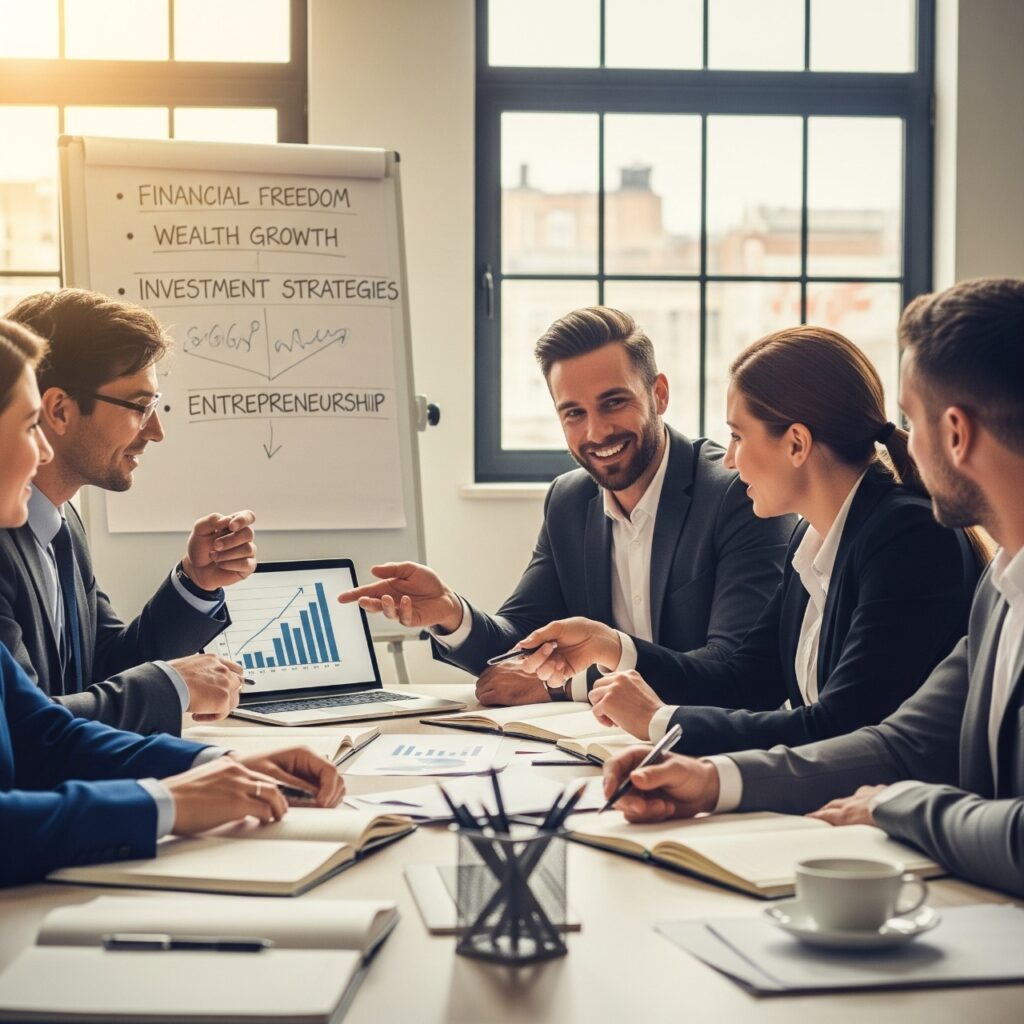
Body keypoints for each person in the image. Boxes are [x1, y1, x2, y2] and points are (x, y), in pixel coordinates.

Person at [597, 277, 1024, 898]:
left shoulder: (910, 537)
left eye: (913, 419)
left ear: (956, 433)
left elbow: (862, 733)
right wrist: (711, 779)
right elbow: (898, 742)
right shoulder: (1000, 589)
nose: (899, 440)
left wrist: (894, 806)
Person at [518, 326, 984, 753]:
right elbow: (742, 681)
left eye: (738, 436)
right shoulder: (813, 537)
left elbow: (844, 727)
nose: (730, 460)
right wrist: (612, 646)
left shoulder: (907, 539)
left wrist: (660, 722)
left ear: (797, 444)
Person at [0, 318, 344, 887]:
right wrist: (169, 802)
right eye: (28, 424)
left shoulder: (64, 527)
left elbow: (43, 729)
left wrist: (212, 766)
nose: (39, 451)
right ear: (60, 412)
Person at [339, 306, 793, 707]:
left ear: (659, 394)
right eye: (573, 413)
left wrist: (566, 685)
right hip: (602, 748)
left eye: (613, 403)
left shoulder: (738, 494)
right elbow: (518, 647)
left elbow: (736, 676)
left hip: (711, 750)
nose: (596, 433)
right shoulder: (570, 500)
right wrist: (450, 614)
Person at [1, 288, 258, 735]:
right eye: (140, 407)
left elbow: (106, 668)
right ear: (59, 410)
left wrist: (196, 583)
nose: (155, 431)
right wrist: (173, 685)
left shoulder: (63, 528)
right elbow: (24, 728)